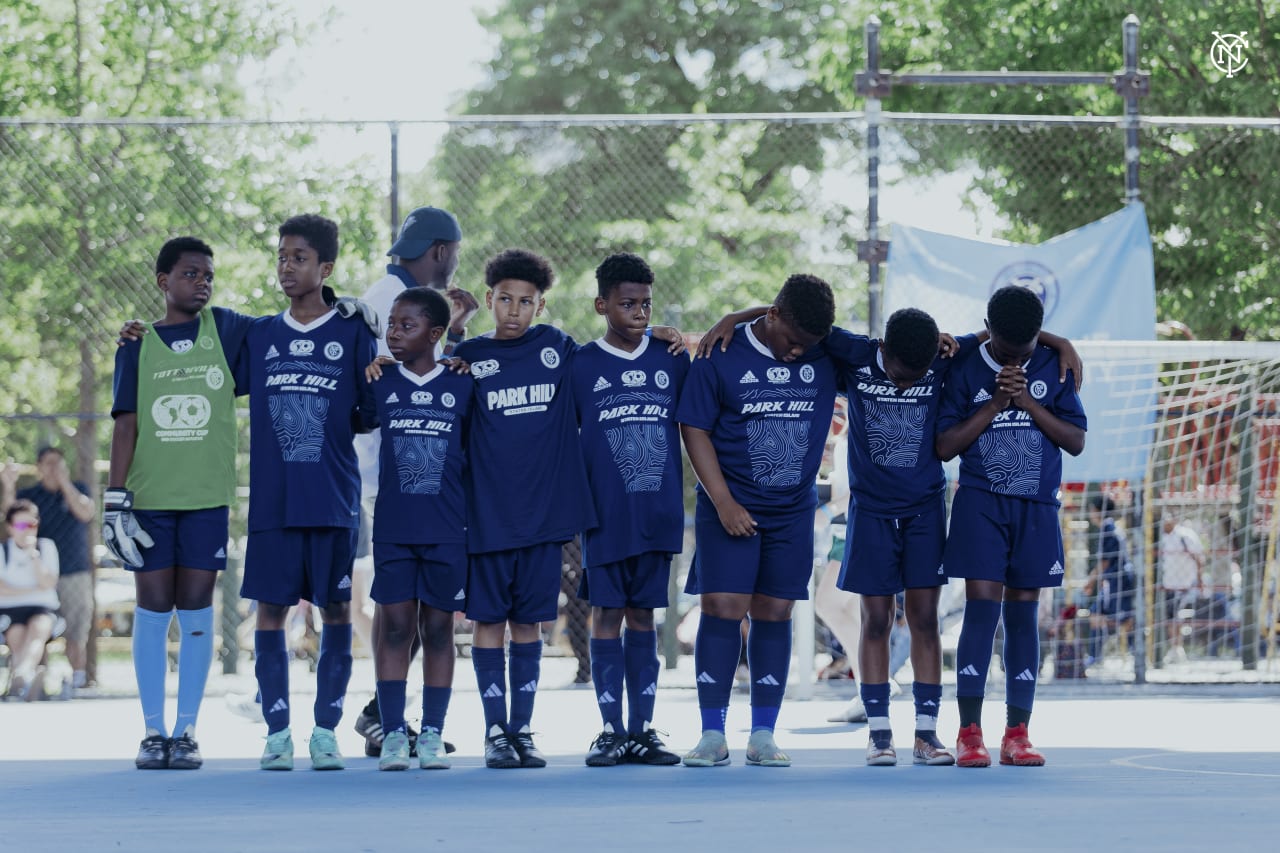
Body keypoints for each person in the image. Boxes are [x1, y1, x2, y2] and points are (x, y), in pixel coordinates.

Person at [676, 273, 838, 768]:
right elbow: (695, 427)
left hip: (791, 511)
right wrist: (722, 500)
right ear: (772, 317)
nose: (797, 352)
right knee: (722, 606)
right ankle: (711, 733)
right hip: (730, 505)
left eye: (807, 346)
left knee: (775, 611)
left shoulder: (825, 350)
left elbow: (889, 350)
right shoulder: (719, 353)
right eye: (791, 341)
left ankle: (764, 732)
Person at [239, 214, 379, 771]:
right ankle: (277, 733)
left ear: (326, 268)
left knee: (339, 610)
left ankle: (325, 730)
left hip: (332, 499)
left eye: (299, 258)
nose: (287, 266)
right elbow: (191, 340)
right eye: (281, 256)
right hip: (274, 502)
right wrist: (141, 331)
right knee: (270, 613)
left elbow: (369, 415)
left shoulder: (352, 330)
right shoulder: (257, 334)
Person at [106, 236, 252, 770]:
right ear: (164, 281)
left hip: (206, 500)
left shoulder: (228, 330)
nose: (203, 282)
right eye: (191, 273)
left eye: (208, 274)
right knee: (151, 609)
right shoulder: (137, 344)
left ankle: (187, 731)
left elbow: (289, 327)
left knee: (195, 611)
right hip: (148, 499)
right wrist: (114, 500)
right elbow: (125, 424)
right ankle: (152, 731)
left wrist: (334, 304)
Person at [452, 248, 598, 769]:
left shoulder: (557, 347)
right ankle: (494, 731)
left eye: (526, 302)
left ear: (541, 305)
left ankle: (522, 728)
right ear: (489, 299)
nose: (514, 311)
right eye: (505, 300)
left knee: (529, 625)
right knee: (489, 621)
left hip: (544, 521)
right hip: (488, 518)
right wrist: (449, 336)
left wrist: (668, 337)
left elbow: (609, 363)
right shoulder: (467, 357)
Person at [936, 285, 1086, 768]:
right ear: (989, 330)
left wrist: (1030, 404)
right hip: (981, 505)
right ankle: (969, 733)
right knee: (981, 612)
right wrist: (995, 404)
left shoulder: (1054, 362)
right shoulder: (963, 363)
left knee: (1024, 618)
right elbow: (944, 447)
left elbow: (1076, 440)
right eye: (1005, 351)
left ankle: (1017, 733)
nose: (1015, 358)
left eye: (1024, 351)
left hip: (1037, 508)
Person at [351, 205, 475, 758]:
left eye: (410, 326)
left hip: (437, 503)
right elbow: (379, 386)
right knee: (395, 613)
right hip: (385, 480)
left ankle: (403, 720)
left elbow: (438, 377)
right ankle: (386, 718)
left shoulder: (404, 306)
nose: (397, 332)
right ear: (443, 252)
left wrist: (459, 337)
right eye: (396, 328)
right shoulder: (387, 303)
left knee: (431, 622)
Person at [571, 252, 689, 767]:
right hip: (605, 518)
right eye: (627, 303)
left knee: (644, 616)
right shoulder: (581, 364)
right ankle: (610, 729)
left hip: (657, 514)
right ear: (602, 305)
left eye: (645, 303)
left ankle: (642, 729)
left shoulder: (671, 358)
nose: (639, 312)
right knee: (606, 614)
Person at [12, 447, 94, 693]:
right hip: (39, 573)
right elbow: (15, 522)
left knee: (77, 632)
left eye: (60, 463)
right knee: (38, 628)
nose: (55, 468)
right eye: (49, 463)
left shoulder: (78, 490)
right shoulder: (30, 496)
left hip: (74, 572)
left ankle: (78, 680)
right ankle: (36, 682)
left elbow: (86, 513)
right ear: (38, 467)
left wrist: (65, 484)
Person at [0, 500, 60, 701]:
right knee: (17, 635)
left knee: (38, 629)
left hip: (43, 608)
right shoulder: (3, 551)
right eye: (20, 525)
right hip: (10, 610)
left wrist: (34, 557)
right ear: (10, 527)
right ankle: (26, 679)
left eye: (31, 525)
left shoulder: (46, 547)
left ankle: (20, 677)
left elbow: (49, 582)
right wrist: (33, 589)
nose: (26, 531)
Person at [1084, 496, 1134, 665]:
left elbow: (1105, 562)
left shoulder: (1109, 530)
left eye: (1092, 510)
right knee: (1096, 613)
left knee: (1125, 618)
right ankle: (1095, 655)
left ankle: (1135, 652)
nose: (1090, 514)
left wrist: (1091, 581)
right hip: (1112, 581)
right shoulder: (1110, 529)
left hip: (1118, 581)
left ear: (1098, 511)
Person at [1158, 515, 1204, 663]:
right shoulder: (1159, 537)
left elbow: (1199, 559)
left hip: (1184, 583)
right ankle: (1175, 648)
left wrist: (1200, 580)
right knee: (1170, 616)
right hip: (1166, 584)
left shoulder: (1185, 536)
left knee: (1177, 616)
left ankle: (1177, 648)